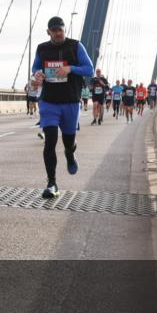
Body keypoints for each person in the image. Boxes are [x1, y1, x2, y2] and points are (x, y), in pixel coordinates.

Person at [30, 16, 94, 199]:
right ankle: (52, 184)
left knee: (68, 142)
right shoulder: (42, 49)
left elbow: (89, 69)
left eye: (61, 30)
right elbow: (35, 68)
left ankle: (70, 154)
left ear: (65, 30)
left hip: (70, 102)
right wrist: (37, 74)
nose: (58, 33)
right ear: (48, 32)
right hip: (49, 102)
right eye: (54, 30)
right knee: (50, 141)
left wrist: (70, 68)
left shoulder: (75, 46)